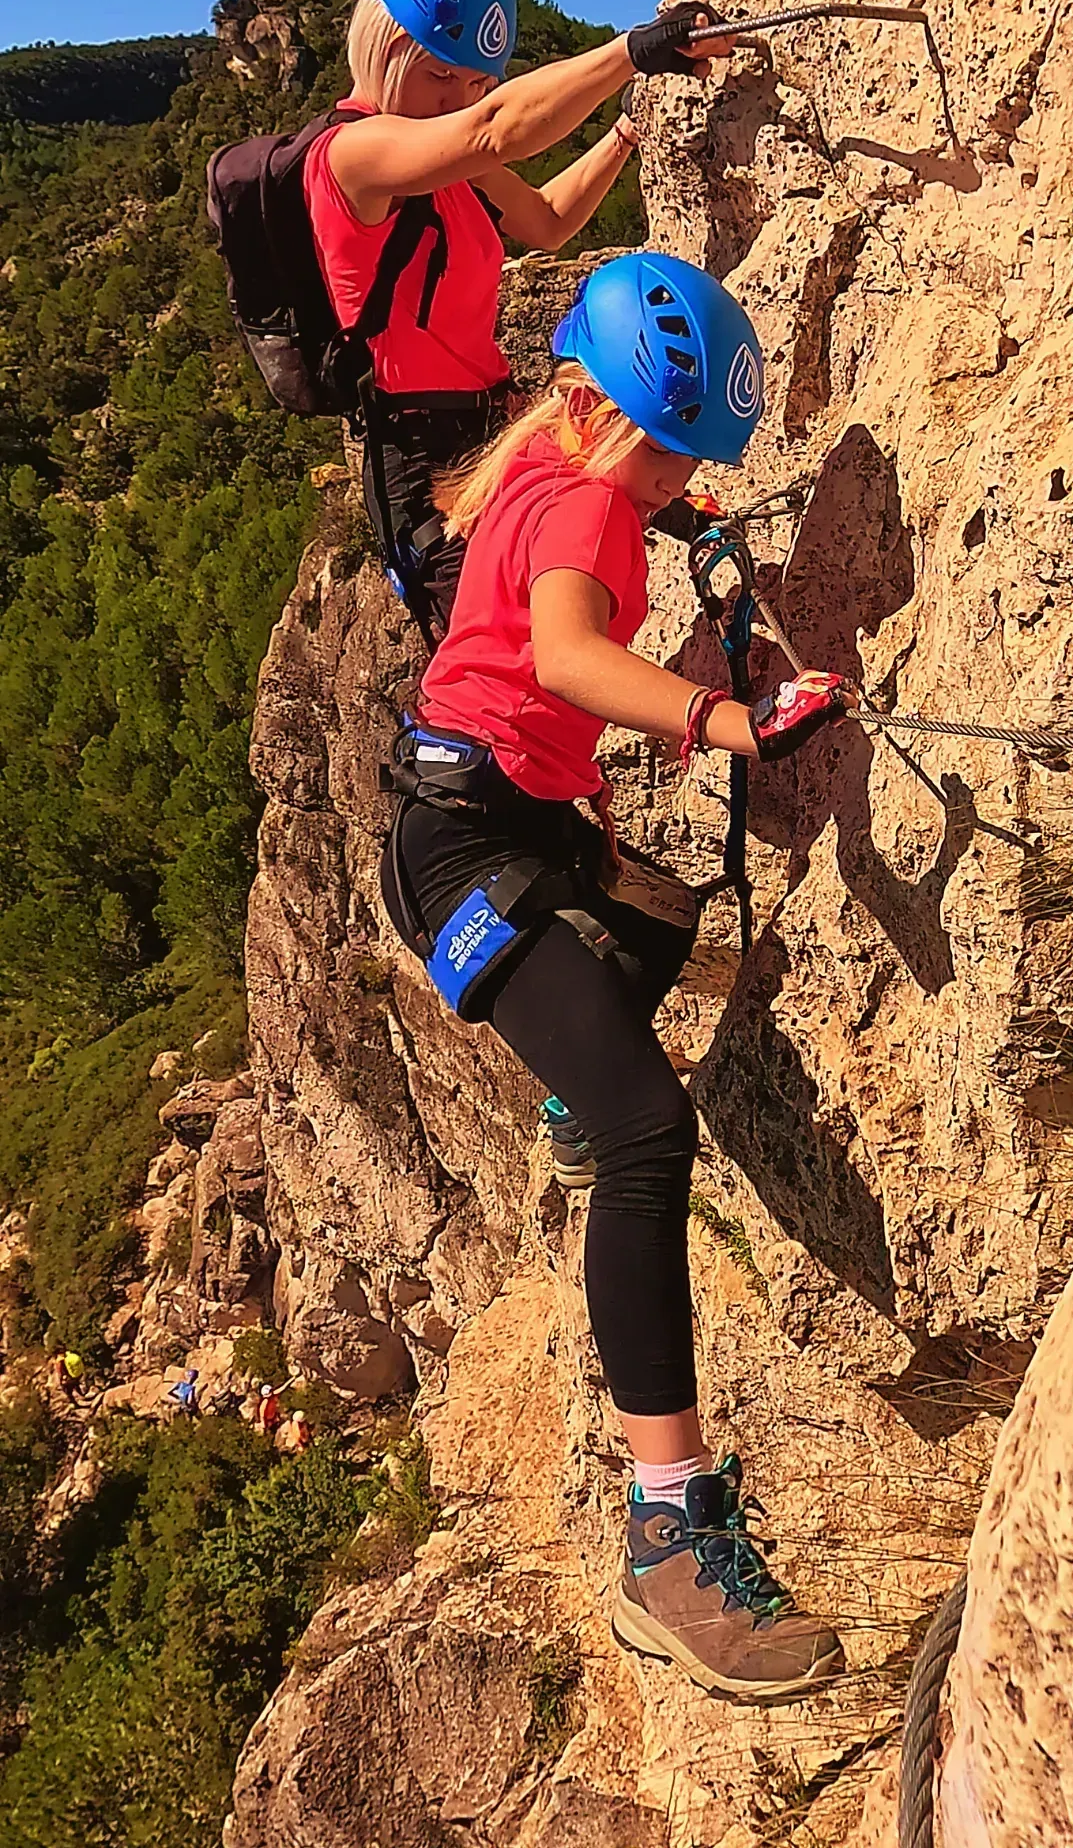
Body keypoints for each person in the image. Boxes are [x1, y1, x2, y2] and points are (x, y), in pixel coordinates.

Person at [379, 252, 852, 1702]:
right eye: (672, 455)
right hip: (471, 854)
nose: (669, 483)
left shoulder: (551, 466)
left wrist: (687, 520)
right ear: (592, 406)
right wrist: (724, 719)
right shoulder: (589, 492)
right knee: (655, 1137)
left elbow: (559, 606)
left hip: (500, 822)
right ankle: (667, 1528)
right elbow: (578, 657)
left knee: (657, 918)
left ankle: (579, 1109)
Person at [306, 0, 736, 644]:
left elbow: (546, 221)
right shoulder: (352, 158)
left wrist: (628, 129)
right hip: (420, 461)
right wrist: (630, 52)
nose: (459, 97)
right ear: (382, 44)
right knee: (516, 656)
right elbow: (494, 128)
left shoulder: (446, 161)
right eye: (443, 73)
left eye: (476, 81)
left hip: (489, 428)